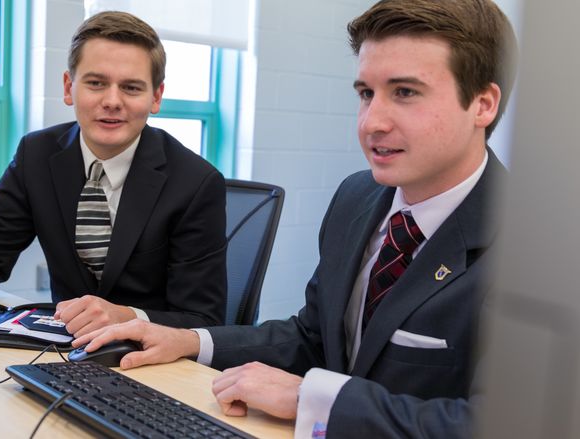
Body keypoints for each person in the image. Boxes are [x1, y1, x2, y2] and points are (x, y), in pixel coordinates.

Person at [73, 0, 518, 436]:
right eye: (366, 93)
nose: (371, 122)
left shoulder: (537, 246)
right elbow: (312, 336)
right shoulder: (357, 196)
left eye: (405, 92)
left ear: (482, 104)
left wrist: (313, 399)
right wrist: (191, 340)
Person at [0, 11, 227, 336]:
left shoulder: (196, 183)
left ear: (155, 97)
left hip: (151, 361)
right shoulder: (36, 155)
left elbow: (203, 319)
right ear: (70, 87)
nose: (112, 101)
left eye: (130, 87)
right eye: (96, 83)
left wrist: (127, 316)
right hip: (64, 352)